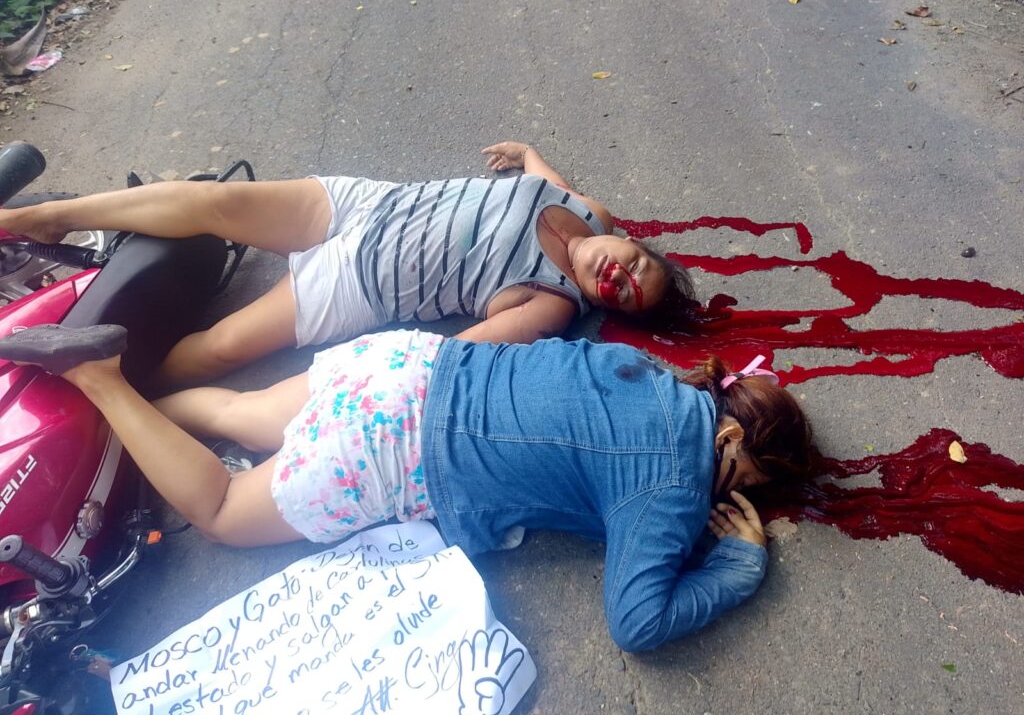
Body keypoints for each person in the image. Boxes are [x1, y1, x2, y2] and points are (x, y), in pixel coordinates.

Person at [0, 323, 812, 652]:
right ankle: (102, 381)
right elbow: (638, 623)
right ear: (729, 437)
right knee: (220, 511)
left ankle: (82, 417)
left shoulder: (653, 373)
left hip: (406, 363)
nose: (722, 499)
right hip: (392, 451)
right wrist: (736, 567)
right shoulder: (674, 482)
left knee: (240, 414)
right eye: (736, 479)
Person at [0, 142, 693, 388]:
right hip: (367, 203)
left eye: (625, 295)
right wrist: (528, 153)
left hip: (360, 283)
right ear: (629, 241)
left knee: (221, 349)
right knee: (212, 200)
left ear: (605, 305)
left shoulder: (551, 303)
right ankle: (42, 217)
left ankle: (89, 385)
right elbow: (551, 181)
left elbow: (456, 354)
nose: (621, 276)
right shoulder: (590, 211)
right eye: (635, 265)